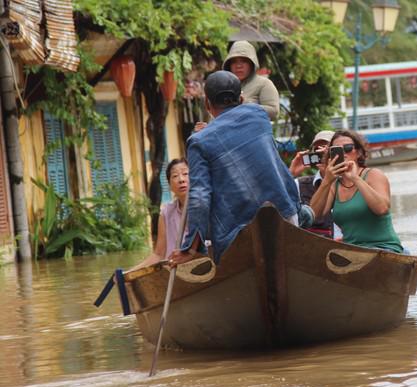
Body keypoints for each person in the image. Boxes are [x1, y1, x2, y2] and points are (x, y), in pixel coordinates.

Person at [168, 70, 304, 266]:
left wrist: (190, 248)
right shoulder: (259, 115)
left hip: (236, 229)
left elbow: (199, 196)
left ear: (207, 104)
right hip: (284, 212)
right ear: (241, 98)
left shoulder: (198, 141)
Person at [310, 130, 404, 253]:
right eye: (337, 149)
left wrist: (355, 178)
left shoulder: (374, 175)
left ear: (359, 152)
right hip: (352, 251)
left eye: (348, 148)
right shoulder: (334, 184)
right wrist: (327, 180)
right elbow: (314, 215)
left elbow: (382, 209)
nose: (343, 153)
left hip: (383, 248)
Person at [130, 158, 189, 270]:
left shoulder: (203, 207)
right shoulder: (166, 212)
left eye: (185, 174)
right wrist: (130, 272)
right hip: (173, 270)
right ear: (170, 185)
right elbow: (158, 254)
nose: (181, 179)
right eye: (175, 176)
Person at [289, 130, 337, 238]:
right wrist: (290, 174)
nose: (320, 152)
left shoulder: (350, 181)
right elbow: (279, 208)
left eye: (325, 148)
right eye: (316, 149)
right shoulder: (300, 184)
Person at [222, 40, 280, 120]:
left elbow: (274, 111)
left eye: (244, 61)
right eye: (234, 62)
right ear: (229, 65)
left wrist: (245, 106)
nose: (238, 66)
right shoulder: (224, 86)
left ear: (252, 63)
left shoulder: (264, 84)